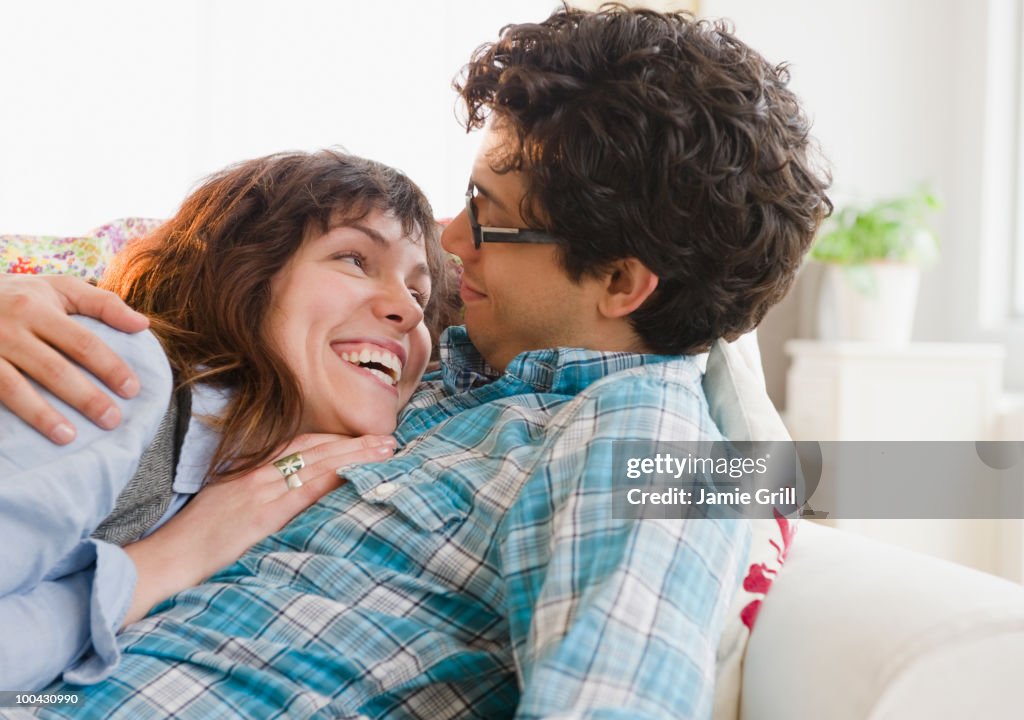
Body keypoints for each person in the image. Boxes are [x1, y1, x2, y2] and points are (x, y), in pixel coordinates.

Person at [1, 7, 830, 717]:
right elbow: (222, 265)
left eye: (489, 218)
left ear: (620, 282)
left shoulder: (641, 436)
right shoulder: (446, 361)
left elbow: (613, 699)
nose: (453, 240)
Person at [0, 150, 452, 691]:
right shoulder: (116, 373)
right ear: (245, 273)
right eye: (354, 258)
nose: (408, 309)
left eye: (420, 292)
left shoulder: (272, 487)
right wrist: (178, 556)